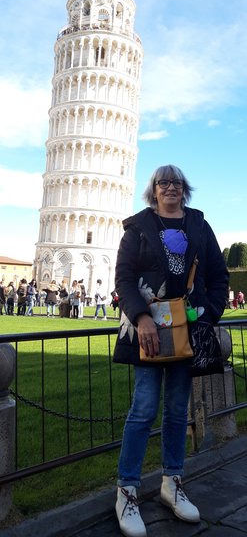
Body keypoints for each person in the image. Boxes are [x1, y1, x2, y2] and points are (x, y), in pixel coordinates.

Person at [113, 164, 229, 537]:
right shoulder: (138, 227)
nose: (170, 188)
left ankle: (171, 482)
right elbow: (124, 277)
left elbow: (218, 273)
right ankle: (127, 489)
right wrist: (141, 317)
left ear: (184, 189)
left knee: (178, 409)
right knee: (144, 407)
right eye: (163, 183)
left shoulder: (198, 224)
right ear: (153, 190)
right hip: (149, 330)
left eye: (176, 183)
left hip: (189, 328)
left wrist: (209, 315)